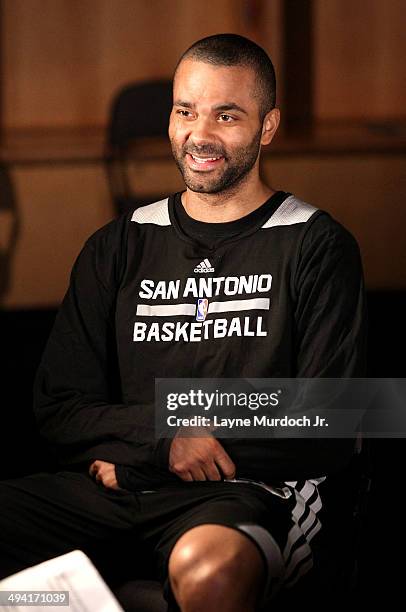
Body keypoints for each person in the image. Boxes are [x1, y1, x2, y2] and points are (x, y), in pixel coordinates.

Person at [0, 34, 366, 611]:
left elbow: (336, 416)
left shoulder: (317, 244)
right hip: (121, 484)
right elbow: (58, 406)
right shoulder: (117, 245)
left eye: (227, 115)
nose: (200, 135)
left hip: (244, 493)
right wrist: (163, 443)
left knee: (211, 575)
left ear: (267, 127)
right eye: (185, 111)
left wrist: (154, 440)